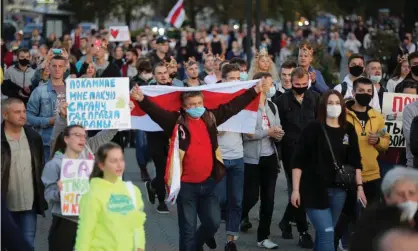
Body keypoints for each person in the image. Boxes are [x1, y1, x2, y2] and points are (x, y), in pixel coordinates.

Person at [131, 77, 263, 251]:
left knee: (213, 223)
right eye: (192, 105)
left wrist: (254, 91)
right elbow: (157, 113)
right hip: (186, 186)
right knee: (187, 229)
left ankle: (197, 244)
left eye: (199, 103)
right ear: (184, 107)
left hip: (209, 184)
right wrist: (142, 99)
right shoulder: (176, 122)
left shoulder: (210, 117)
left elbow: (233, 107)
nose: (196, 107)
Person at [291, 90, 367, 251]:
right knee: (326, 232)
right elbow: (298, 161)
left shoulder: (348, 130)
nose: (334, 106)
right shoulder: (313, 129)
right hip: (313, 189)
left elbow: (355, 161)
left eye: (337, 103)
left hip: (339, 190)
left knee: (325, 233)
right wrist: (296, 190)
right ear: (323, 106)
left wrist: (359, 187)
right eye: (330, 103)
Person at [42, 102, 119, 251]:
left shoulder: (89, 149)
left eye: (84, 136)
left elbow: (108, 133)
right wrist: (60, 193)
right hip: (66, 222)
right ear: (66, 139)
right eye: (77, 135)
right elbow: (48, 195)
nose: (82, 139)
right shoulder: (55, 163)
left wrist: (122, 113)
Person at [273, 67, 319, 248]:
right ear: (291, 83)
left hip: (311, 152)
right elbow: (278, 129)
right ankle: (303, 232)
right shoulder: (281, 102)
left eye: (303, 84)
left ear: (308, 81)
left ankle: (285, 220)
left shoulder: (315, 99)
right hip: (291, 153)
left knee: (304, 190)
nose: (300, 87)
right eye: (296, 84)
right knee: (297, 189)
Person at [75, 142, 146, 251]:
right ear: (101, 165)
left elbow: (138, 224)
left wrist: (140, 246)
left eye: (121, 159)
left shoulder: (132, 190)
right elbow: (85, 231)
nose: (119, 165)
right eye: (113, 161)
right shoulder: (93, 194)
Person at [241, 72, 284, 249]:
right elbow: (247, 134)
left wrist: (279, 134)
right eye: (267, 84)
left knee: (269, 199)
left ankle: (263, 236)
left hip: (270, 158)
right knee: (251, 196)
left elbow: (278, 127)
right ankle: (236, 217)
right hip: (252, 160)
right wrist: (268, 132)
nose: (270, 87)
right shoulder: (248, 108)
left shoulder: (273, 106)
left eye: (271, 83)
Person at [1, 98, 47, 248]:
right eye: (17, 112)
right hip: (5, 206)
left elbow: (40, 166)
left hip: (29, 204)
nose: (23, 115)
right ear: (5, 115)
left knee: (27, 245)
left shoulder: (34, 137)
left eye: (24, 111)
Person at [27, 55, 67, 161]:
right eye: (54, 66)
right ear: (49, 67)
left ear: (65, 68)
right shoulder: (39, 91)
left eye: (60, 66)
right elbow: (28, 117)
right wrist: (49, 121)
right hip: (47, 143)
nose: (57, 69)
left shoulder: (73, 91)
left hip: (69, 143)